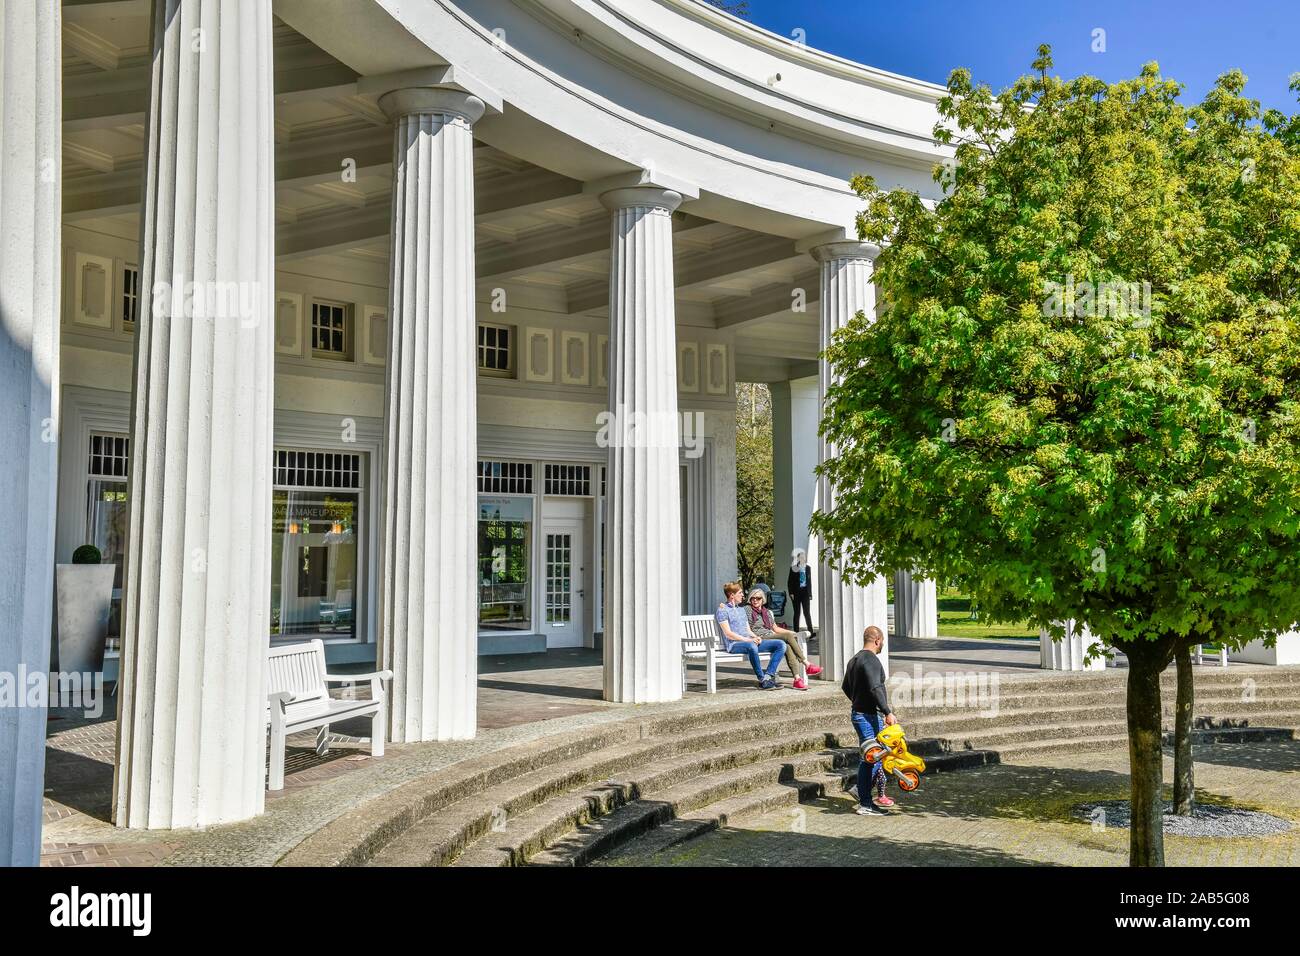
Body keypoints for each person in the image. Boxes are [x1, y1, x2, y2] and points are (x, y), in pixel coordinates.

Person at [841, 625, 897, 814]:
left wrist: (857, 701)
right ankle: (865, 802)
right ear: (877, 640)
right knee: (871, 758)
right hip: (868, 716)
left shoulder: (854, 660)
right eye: (882, 642)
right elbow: (875, 687)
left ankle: (861, 790)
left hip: (860, 713)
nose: (882, 646)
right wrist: (887, 711)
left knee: (875, 757)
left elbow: (845, 687)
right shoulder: (871, 660)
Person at [745, 587, 822, 690]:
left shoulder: (766, 612)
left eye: (758, 598)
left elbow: (775, 628)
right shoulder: (747, 610)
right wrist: (723, 606)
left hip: (770, 636)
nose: (755, 600)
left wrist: (794, 633)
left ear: (762, 599)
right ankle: (807, 664)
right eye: (753, 598)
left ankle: (797, 679)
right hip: (759, 638)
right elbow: (736, 610)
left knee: (787, 646)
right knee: (788, 637)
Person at [715, 581, 786, 689]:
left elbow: (747, 629)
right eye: (740, 593)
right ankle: (762, 680)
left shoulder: (741, 610)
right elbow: (728, 634)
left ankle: (768, 677)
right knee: (752, 646)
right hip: (734, 644)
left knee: (780, 644)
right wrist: (747, 640)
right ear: (732, 595)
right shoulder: (722, 610)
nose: (743, 595)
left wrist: (754, 637)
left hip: (748, 642)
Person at [787, 549, 814, 635]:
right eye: (801, 557)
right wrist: (791, 593)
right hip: (796, 593)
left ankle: (811, 631)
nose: (803, 559)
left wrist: (810, 594)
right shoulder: (794, 568)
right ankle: (796, 632)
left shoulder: (808, 568)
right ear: (798, 558)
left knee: (807, 613)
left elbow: (809, 582)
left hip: (805, 592)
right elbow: (789, 581)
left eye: (804, 557)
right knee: (797, 613)